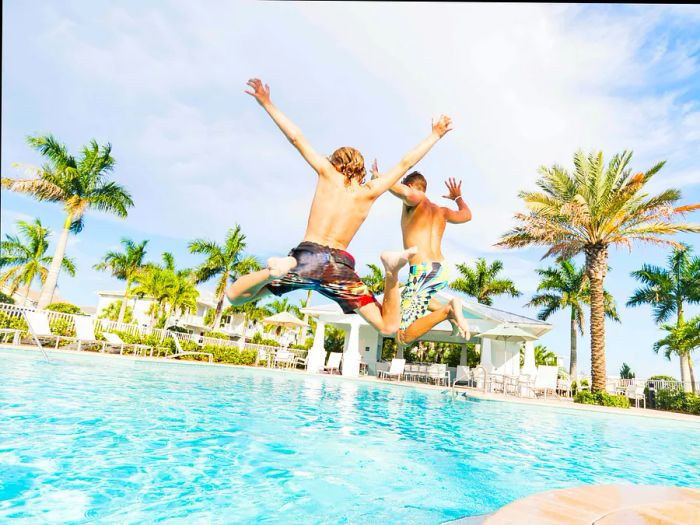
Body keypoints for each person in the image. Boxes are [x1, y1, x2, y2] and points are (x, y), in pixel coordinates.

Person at [226, 78, 452, 336]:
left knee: (235, 296)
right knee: (388, 327)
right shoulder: (369, 192)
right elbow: (404, 164)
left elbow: (296, 138)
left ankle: (272, 272)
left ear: (334, 162)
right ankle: (391, 272)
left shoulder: (327, 173)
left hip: (305, 259)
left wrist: (267, 103)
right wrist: (435, 134)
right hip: (340, 268)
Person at [377, 162, 472, 344]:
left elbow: (404, 192)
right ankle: (449, 312)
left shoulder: (415, 198)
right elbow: (466, 215)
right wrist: (458, 197)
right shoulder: (442, 211)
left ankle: (449, 310)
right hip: (439, 269)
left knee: (401, 337)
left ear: (411, 186)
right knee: (407, 294)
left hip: (423, 270)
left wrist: (381, 179)